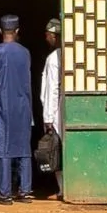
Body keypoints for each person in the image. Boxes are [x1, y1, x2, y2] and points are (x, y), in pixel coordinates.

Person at [0, 15, 36, 204]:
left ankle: (5, 193)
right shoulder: (25, 52)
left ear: (0, 31)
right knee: (23, 148)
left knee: (3, 147)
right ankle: (25, 191)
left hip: (2, 106)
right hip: (24, 106)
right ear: (18, 31)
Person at [36, 18, 64, 188]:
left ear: (53, 36)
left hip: (56, 111)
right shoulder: (65, 55)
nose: (46, 39)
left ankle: (62, 188)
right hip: (60, 108)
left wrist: (48, 117)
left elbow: (51, 89)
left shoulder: (53, 58)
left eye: (47, 35)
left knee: (55, 149)